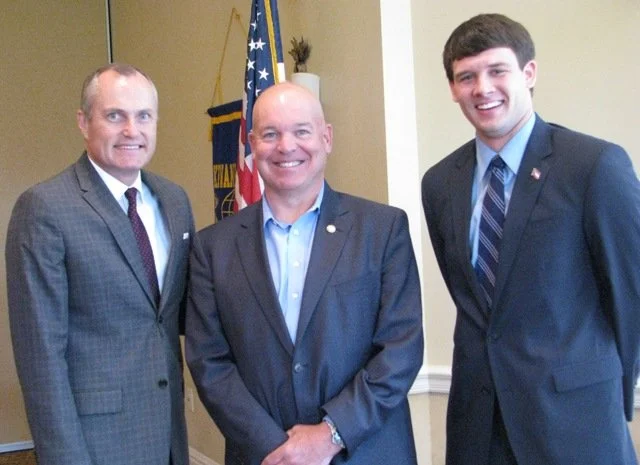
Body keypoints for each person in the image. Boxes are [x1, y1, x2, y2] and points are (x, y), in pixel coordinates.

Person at [421, 13, 640, 465]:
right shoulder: (440, 183)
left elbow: (630, 294)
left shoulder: (594, 166)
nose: (482, 88)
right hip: (478, 428)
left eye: (497, 70)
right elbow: (475, 304)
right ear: (453, 88)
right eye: (467, 76)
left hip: (575, 425)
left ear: (529, 73)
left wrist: (612, 396)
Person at [186, 82, 423, 465]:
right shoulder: (212, 247)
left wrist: (330, 434)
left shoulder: (382, 230)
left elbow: (401, 349)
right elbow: (209, 362)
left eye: (301, 131)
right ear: (252, 143)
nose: (286, 146)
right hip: (263, 457)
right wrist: (275, 448)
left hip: (368, 451)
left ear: (326, 137)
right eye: (270, 134)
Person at [6, 63, 194, 465]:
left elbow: (177, 316)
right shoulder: (44, 209)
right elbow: (41, 359)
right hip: (96, 443)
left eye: (143, 116)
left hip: (167, 433)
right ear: (83, 121)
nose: (132, 130)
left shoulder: (174, 201)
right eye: (114, 116)